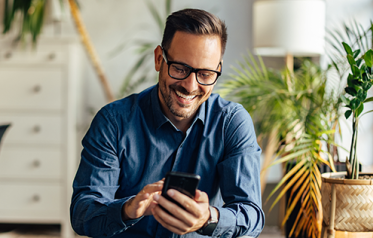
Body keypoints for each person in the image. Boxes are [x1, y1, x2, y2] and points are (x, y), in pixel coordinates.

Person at [70, 8, 264, 238]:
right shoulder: (113, 121)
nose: (191, 86)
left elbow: (251, 215)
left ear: (218, 70)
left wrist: (209, 218)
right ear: (159, 59)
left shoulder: (231, 122)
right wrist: (128, 209)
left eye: (205, 74)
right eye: (180, 69)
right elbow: (83, 212)